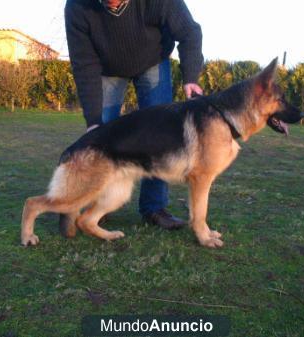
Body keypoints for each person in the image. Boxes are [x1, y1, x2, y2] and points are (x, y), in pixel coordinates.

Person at [63, 0, 204, 231]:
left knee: (160, 138)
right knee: (101, 136)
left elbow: (190, 31)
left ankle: (154, 208)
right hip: (107, 70)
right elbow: (84, 63)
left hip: (152, 60)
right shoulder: (77, 6)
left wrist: (190, 77)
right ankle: (99, 206)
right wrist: (93, 120)